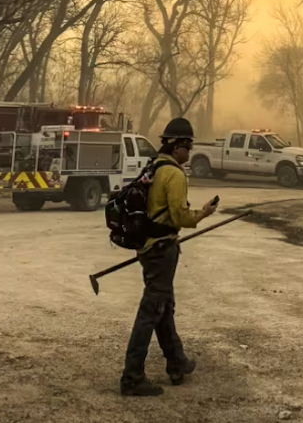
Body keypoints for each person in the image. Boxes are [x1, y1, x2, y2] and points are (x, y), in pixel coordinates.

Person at [120, 117, 217, 396]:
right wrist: (204, 213)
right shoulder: (174, 174)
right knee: (150, 312)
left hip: (149, 248)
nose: (190, 152)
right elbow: (180, 216)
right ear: (177, 147)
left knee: (163, 307)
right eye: (188, 146)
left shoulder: (154, 166)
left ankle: (177, 362)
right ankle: (131, 377)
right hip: (162, 250)